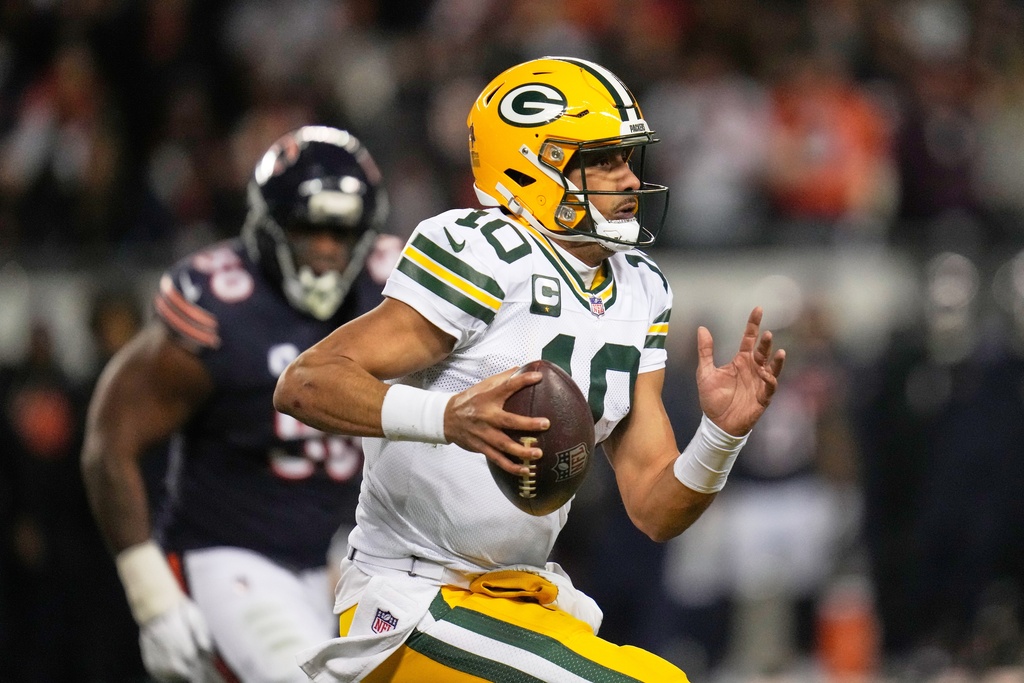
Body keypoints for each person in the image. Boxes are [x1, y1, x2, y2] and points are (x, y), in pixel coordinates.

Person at [274, 57, 786, 683]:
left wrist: (720, 436)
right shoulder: (483, 251)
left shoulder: (641, 290)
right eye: (602, 159)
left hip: (523, 598)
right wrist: (446, 417)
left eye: (628, 158)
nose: (627, 179)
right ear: (532, 161)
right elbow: (305, 382)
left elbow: (655, 508)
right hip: (413, 599)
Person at [81, 126, 399, 683]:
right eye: (309, 229)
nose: (327, 250)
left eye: (342, 232)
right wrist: (150, 595)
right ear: (267, 225)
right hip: (231, 557)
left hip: (344, 556)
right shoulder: (224, 307)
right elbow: (111, 442)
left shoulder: (392, 288)